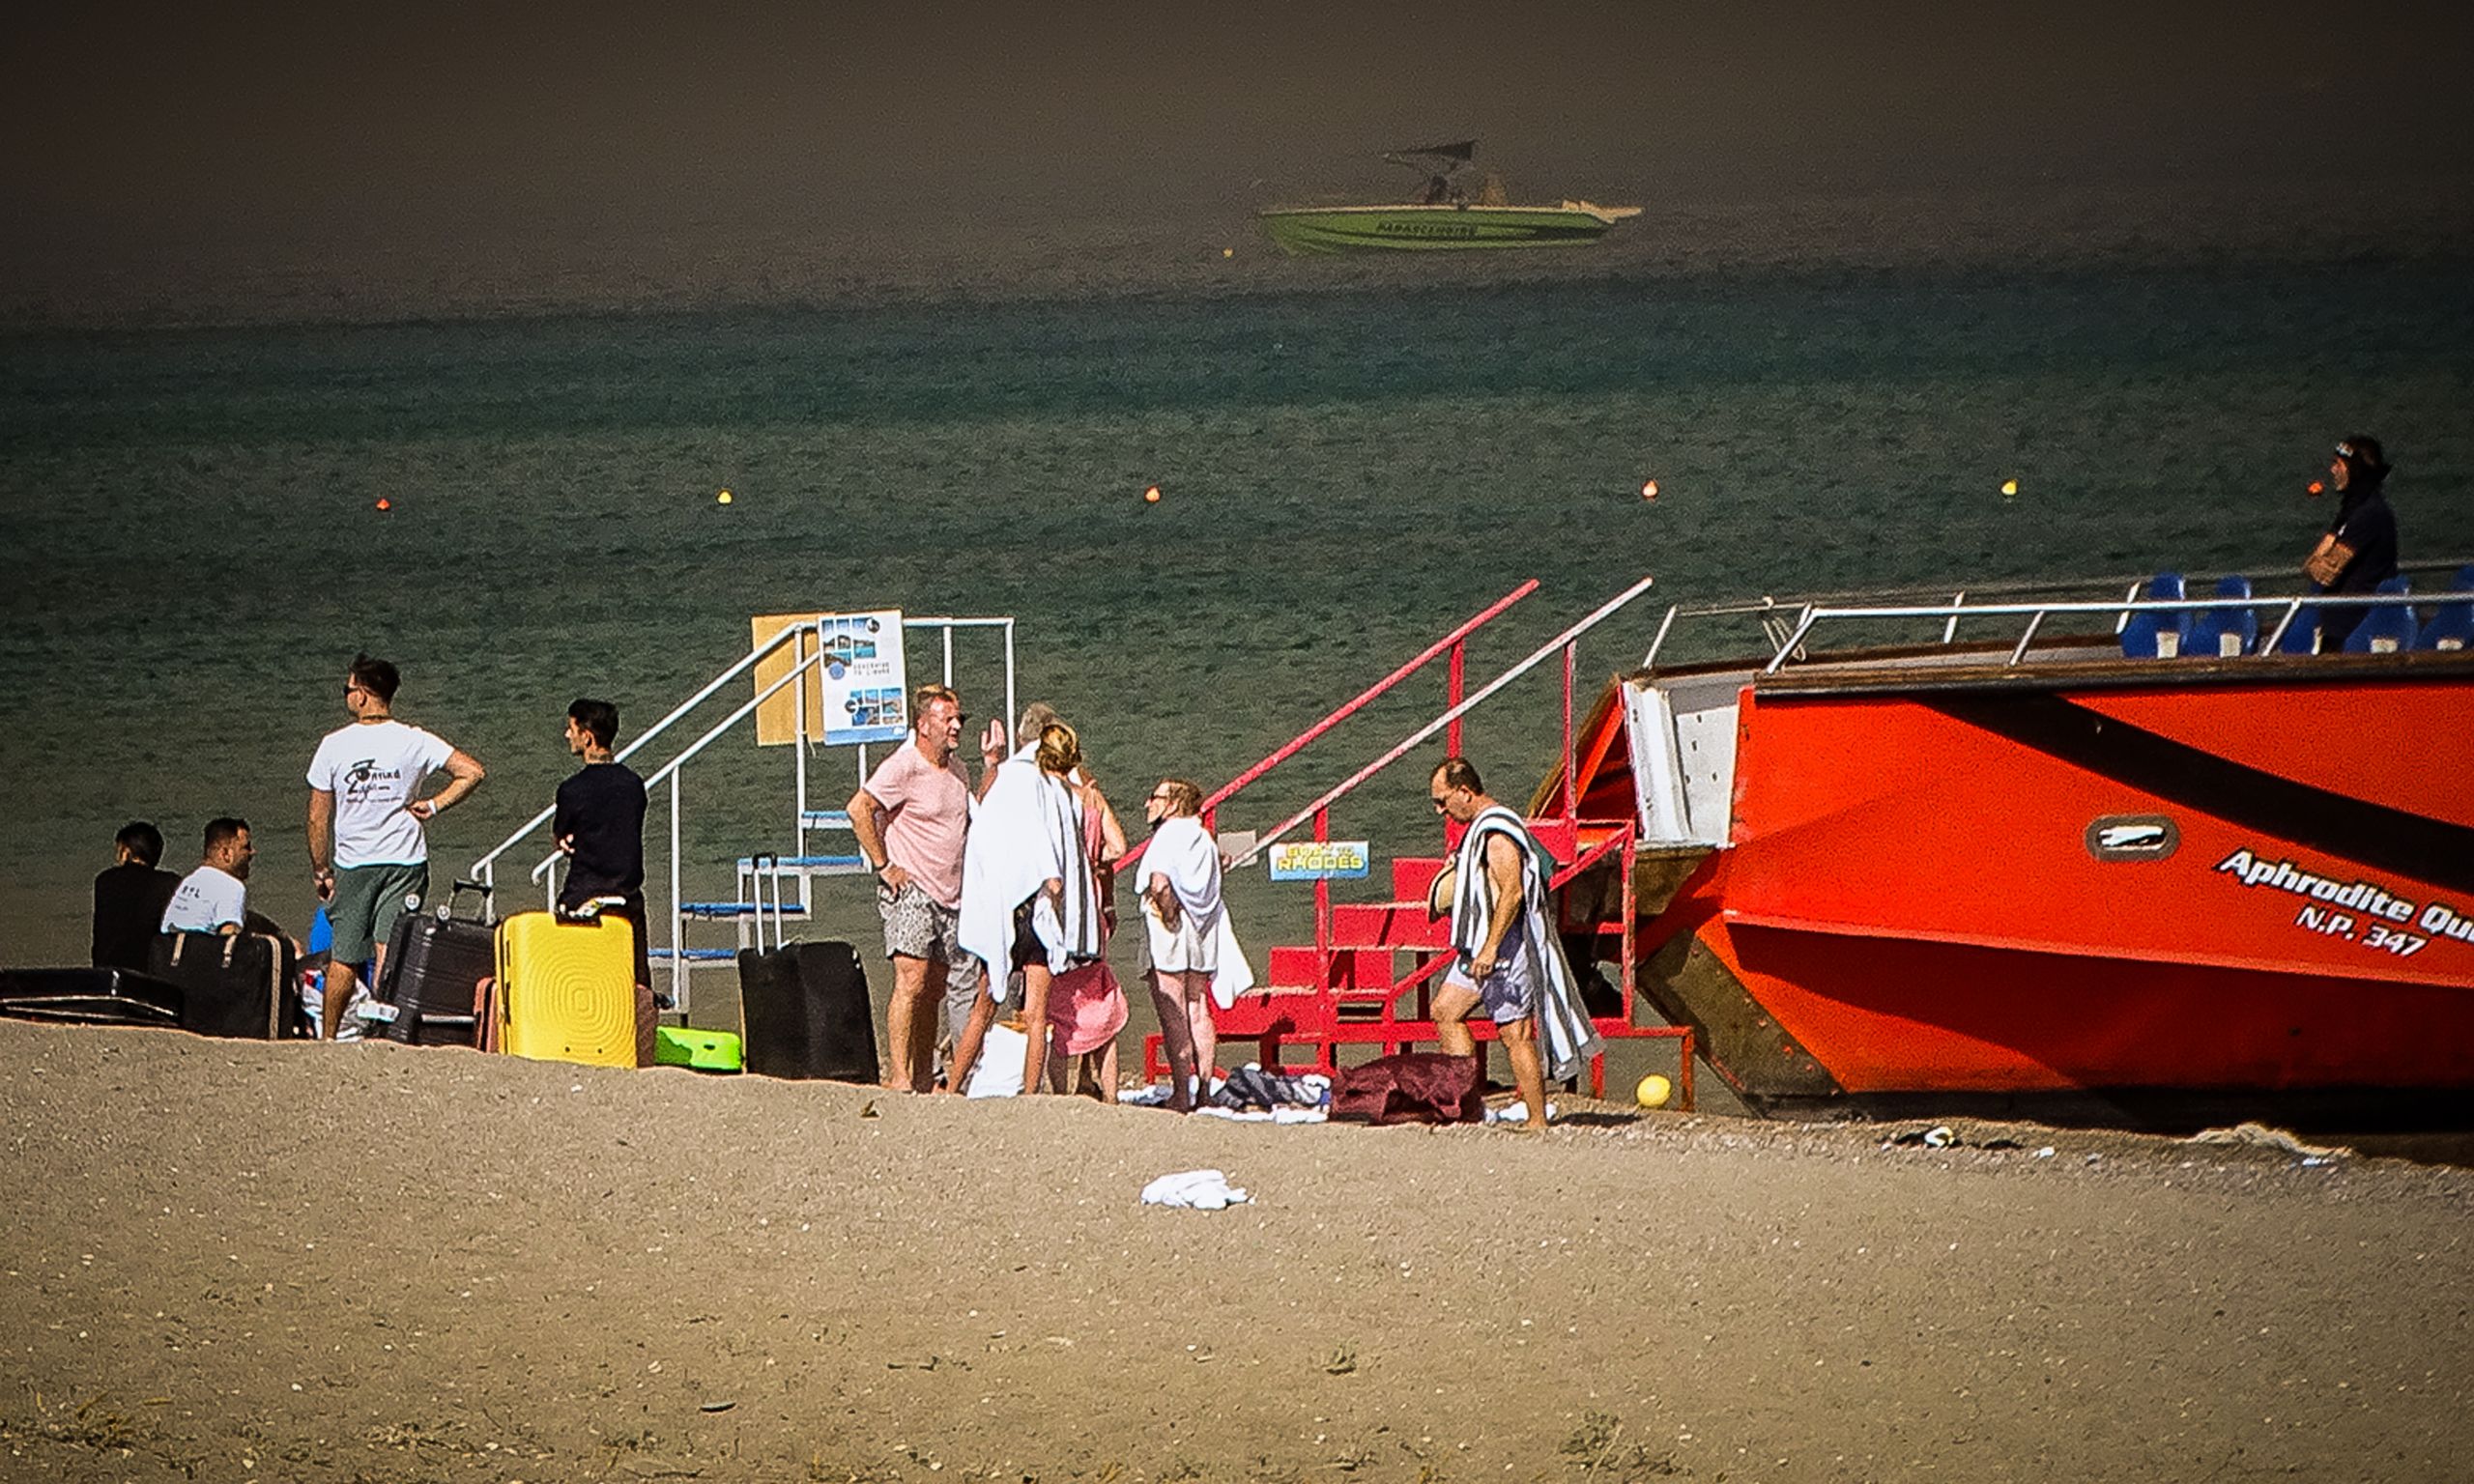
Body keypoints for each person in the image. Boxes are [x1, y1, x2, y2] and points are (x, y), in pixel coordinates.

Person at [306, 654, 486, 1040]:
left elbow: (317, 818)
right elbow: (472, 772)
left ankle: (328, 1036)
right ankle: (384, 1031)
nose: (346, 696)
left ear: (364, 694)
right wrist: (434, 804)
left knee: (345, 956)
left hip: (356, 862)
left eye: (348, 689)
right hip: (405, 859)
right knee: (390, 950)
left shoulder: (334, 745)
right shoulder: (414, 739)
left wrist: (321, 870)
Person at [1425, 756, 1602, 1131]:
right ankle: (1466, 1106)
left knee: (1514, 1032)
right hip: (1479, 943)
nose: (1440, 810)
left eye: (1443, 800)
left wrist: (1491, 948)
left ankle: (1537, 1119)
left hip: (1506, 945)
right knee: (1445, 1010)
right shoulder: (1480, 829)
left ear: (1465, 791)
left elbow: (1513, 892)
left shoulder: (1498, 832)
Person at [848, 683, 1007, 1093]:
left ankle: (922, 1073)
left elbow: (977, 814)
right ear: (923, 725)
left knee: (935, 987)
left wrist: (992, 765)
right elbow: (859, 808)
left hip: (951, 894)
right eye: (948, 719)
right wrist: (884, 865)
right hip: (912, 889)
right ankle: (900, 1075)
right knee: (912, 979)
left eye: (959, 719)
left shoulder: (957, 770)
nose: (956, 727)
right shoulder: (904, 766)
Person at [955, 719, 1104, 1096]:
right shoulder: (1058, 791)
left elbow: (987, 824)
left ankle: (954, 1085)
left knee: (984, 1004)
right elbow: (1057, 850)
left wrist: (991, 763)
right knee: (1036, 1012)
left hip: (1009, 905)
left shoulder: (1015, 779)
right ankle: (1030, 1093)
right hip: (1040, 910)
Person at [1139, 778, 1255, 1113]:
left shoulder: (1167, 835)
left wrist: (1168, 910)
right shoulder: (1203, 838)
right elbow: (1217, 865)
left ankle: (1180, 1093)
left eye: (1156, 797)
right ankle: (1204, 1090)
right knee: (1199, 1008)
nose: (1148, 804)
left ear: (1174, 804)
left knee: (1173, 1012)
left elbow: (1159, 883)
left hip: (1171, 930)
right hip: (1203, 928)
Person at [554, 698, 654, 1063]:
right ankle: (642, 1048)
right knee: (637, 980)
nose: (568, 735)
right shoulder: (633, 785)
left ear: (588, 736)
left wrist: (569, 839)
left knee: (573, 976)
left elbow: (562, 834)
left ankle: (579, 1043)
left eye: (572, 728)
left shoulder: (572, 790)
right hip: (627, 893)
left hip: (584, 893)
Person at [1045, 758, 1131, 1101]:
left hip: (1058, 905)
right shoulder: (1091, 799)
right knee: (1099, 997)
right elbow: (1118, 848)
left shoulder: (1045, 797)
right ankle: (1109, 1096)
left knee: (1055, 1008)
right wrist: (1093, 860)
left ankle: (1060, 1093)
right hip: (1090, 906)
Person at [2304, 435, 2401, 650]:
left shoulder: (2371, 513)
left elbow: (2325, 573)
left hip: (2355, 627)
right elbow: (2310, 566)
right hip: (2335, 625)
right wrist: (2317, 563)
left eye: (2338, 464)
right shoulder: (2349, 512)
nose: (2332, 470)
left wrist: (2319, 562)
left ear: (2354, 469)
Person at [92, 820, 181, 970]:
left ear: (126, 851)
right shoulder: (168, 883)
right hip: (149, 970)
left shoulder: (105, 880)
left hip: (106, 968)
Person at [160, 817, 257, 935]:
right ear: (225, 853)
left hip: (170, 950)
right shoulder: (231, 886)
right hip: (200, 952)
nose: (253, 852)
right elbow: (229, 936)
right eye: (246, 847)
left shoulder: (190, 881)